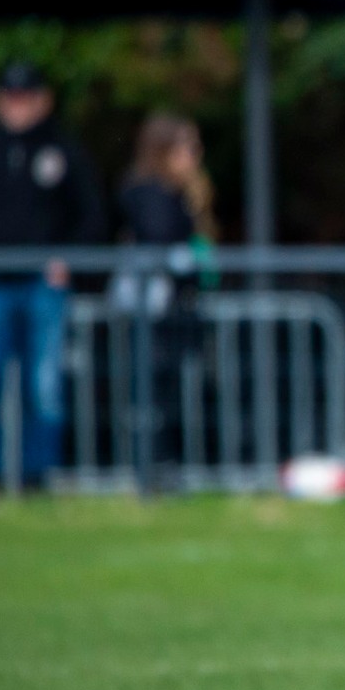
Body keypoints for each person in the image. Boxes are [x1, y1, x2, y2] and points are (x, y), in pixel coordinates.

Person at [0, 62, 107, 491]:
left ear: (43, 100)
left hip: (42, 286)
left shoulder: (64, 152)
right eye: (11, 97)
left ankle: (38, 474)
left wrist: (66, 260)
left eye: (26, 97)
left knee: (44, 384)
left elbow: (91, 215)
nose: (18, 107)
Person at [115, 113, 216, 480]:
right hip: (154, 308)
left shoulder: (183, 193)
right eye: (188, 147)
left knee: (169, 389)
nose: (195, 156)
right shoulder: (150, 194)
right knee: (152, 391)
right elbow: (162, 242)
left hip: (172, 307)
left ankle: (167, 465)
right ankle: (153, 468)